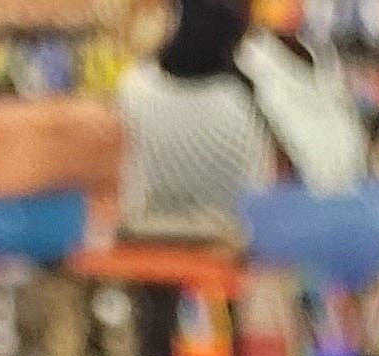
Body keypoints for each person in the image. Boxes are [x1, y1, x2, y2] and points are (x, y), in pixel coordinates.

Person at [117, 0, 363, 244]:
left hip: (154, 235)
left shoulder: (135, 87)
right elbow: (329, 166)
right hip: (244, 236)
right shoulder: (251, 86)